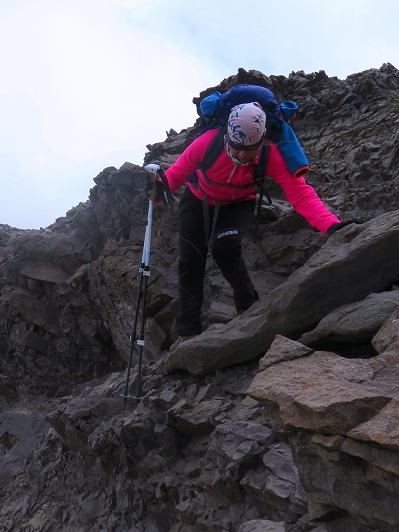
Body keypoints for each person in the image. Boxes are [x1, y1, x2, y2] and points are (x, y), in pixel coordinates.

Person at [150, 101, 354, 349]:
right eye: (236, 149)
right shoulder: (207, 143)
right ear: (227, 137)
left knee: (225, 248)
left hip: (237, 203)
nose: (242, 156)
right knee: (190, 261)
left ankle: (246, 305)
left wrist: (331, 226)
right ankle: (189, 332)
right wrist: (158, 191)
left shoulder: (270, 154)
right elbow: (175, 176)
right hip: (197, 199)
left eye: (249, 150)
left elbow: (300, 194)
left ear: (261, 141)